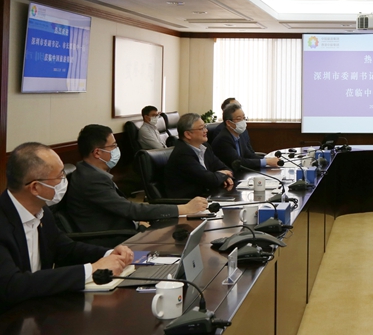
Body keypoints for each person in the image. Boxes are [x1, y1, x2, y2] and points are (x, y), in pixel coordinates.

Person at [0, 142, 133, 306]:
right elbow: (12, 285)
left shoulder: (42, 212)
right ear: (35, 188)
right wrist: (91, 270)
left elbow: (65, 248)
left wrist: (109, 254)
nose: (64, 181)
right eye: (60, 176)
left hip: (38, 306)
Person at [65, 125, 208, 246]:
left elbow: (118, 207)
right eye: (113, 146)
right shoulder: (91, 179)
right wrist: (183, 208)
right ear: (97, 153)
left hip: (122, 230)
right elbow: (129, 209)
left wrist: (137, 222)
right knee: (179, 242)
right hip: (111, 241)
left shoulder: (90, 172)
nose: (116, 149)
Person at [164, 113, 234, 198]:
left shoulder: (205, 147)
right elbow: (210, 180)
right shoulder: (182, 154)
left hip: (206, 196)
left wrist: (223, 176)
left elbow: (225, 169)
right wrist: (222, 175)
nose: (206, 130)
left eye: (205, 127)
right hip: (188, 201)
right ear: (188, 134)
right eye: (201, 128)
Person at [211, 103, 279, 171]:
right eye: (239, 119)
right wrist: (266, 162)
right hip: (230, 175)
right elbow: (239, 162)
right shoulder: (223, 139)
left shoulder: (239, 135)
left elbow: (249, 155)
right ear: (228, 123)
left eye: (244, 118)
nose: (243, 121)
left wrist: (267, 159)